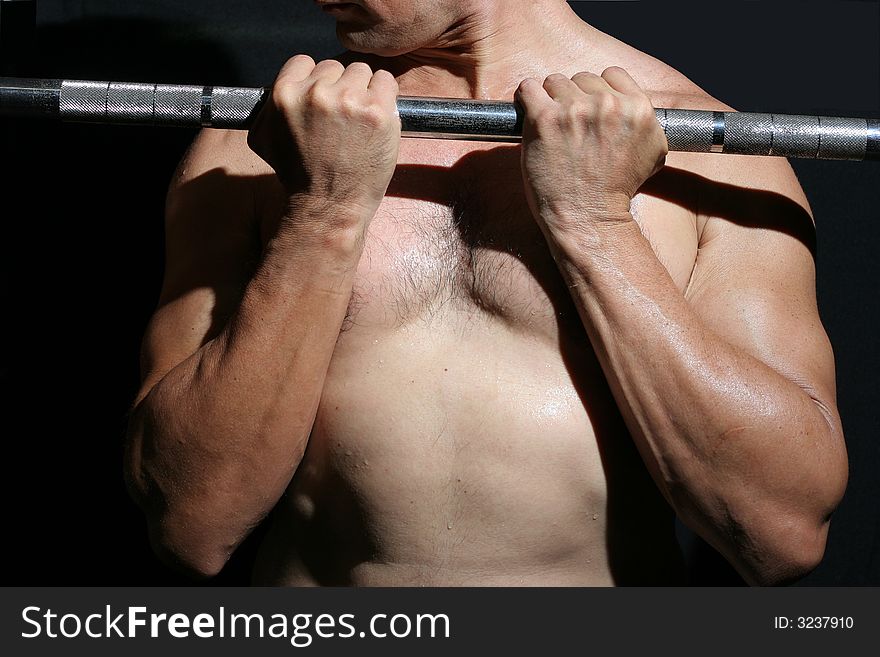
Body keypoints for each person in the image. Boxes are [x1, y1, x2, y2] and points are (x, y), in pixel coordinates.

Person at [123, 0, 848, 586]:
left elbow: (781, 534)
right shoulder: (251, 151)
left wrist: (592, 223)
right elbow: (190, 522)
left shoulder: (713, 154)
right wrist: (325, 214)